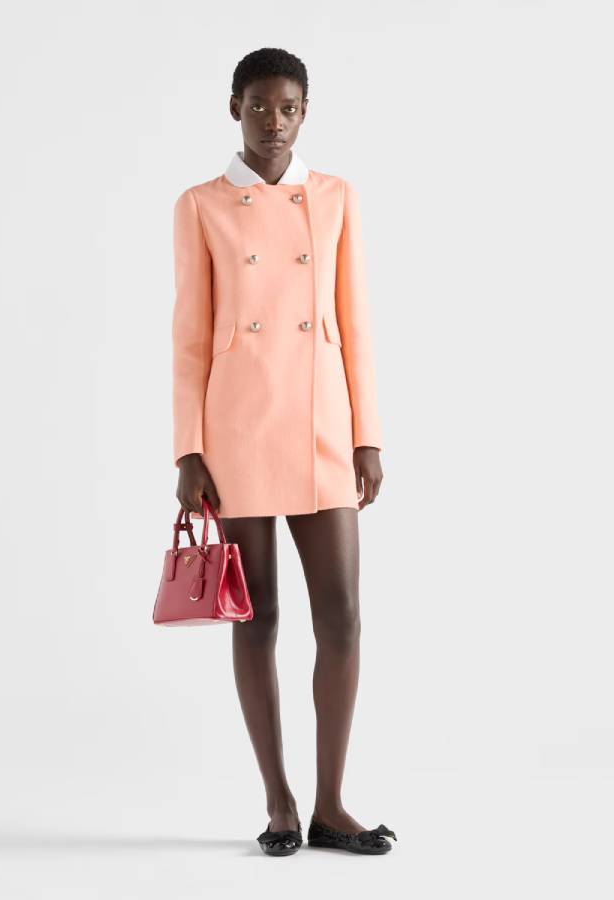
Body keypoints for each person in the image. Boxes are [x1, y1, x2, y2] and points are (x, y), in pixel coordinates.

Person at [171, 47, 395, 856]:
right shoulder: (201, 205)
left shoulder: (334, 198)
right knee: (257, 617)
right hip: (237, 430)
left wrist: (367, 434)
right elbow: (190, 337)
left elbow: (356, 322)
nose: (275, 121)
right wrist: (188, 450)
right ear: (235, 107)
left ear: (306, 113)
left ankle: (332, 803)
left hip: (323, 425)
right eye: (261, 105)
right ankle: (279, 803)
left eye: (290, 107)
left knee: (343, 619)